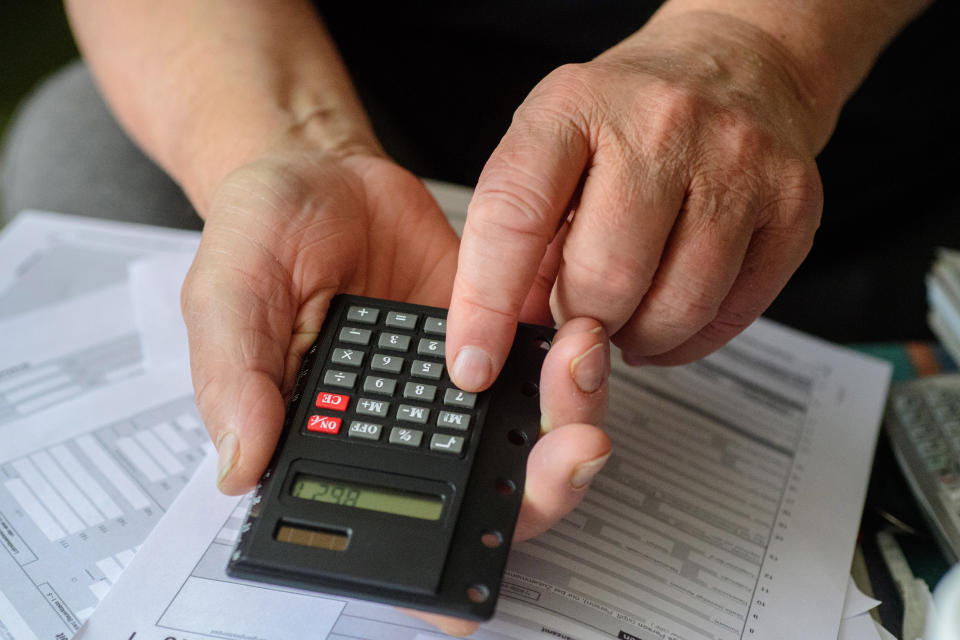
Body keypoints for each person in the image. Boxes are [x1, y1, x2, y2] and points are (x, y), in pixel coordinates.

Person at [1, 0, 944, 635]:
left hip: (831, 147)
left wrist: (759, 45)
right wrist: (293, 144)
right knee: (77, 143)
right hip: (366, 91)